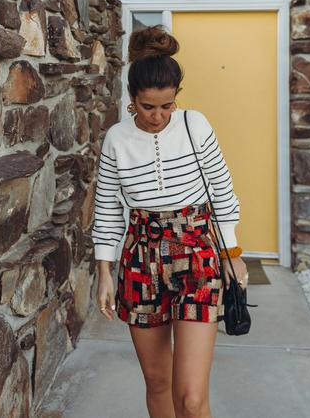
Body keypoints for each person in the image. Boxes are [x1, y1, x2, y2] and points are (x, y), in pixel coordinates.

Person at [91, 25, 248, 418]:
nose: (158, 115)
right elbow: (108, 209)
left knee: (192, 400)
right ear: (132, 99)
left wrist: (233, 252)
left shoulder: (196, 125)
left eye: (167, 105)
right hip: (141, 261)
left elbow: (223, 192)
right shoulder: (116, 139)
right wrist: (104, 271)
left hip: (197, 255)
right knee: (158, 383)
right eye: (148, 106)